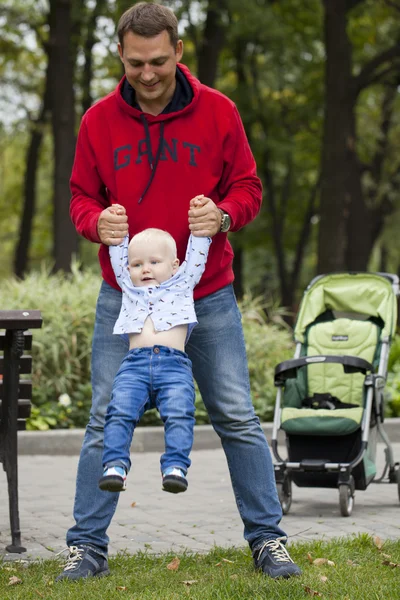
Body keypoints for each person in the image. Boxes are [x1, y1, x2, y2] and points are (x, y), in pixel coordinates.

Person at [57, 1, 302, 582]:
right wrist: (97, 224)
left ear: (178, 53)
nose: (147, 74)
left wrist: (223, 216)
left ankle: (268, 540)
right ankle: (86, 546)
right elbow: (79, 199)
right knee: (101, 418)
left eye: (159, 62)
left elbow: (248, 186)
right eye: (137, 62)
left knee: (237, 416)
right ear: (121, 54)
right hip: (126, 301)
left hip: (206, 295)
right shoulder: (98, 121)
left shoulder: (219, 112)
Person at [99, 219, 211, 495]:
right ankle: (115, 465)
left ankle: (175, 467)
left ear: (175, 266)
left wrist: (200, 225)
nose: (145, 269)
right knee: (119, 413)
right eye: (137, 264)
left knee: (180, 414)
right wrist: (118, 231)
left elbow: (198, 253)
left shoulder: (183, 283)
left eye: (154, 262)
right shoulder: (129, 287)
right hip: (134, 366)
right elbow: (117, 252)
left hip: (174, 367)